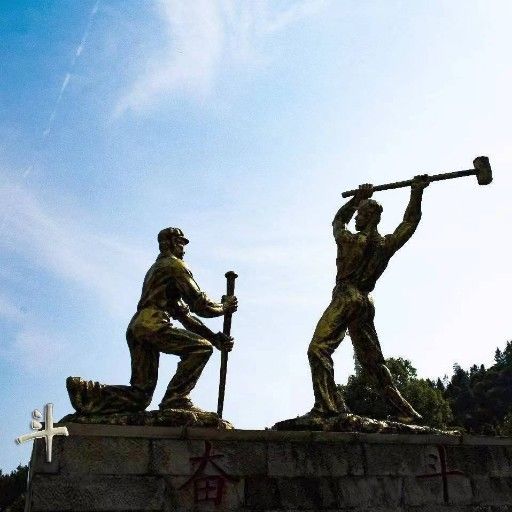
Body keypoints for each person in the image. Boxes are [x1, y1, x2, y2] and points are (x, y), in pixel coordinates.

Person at [67, 227, 237, 415]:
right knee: (201, 348)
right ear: (172, 243)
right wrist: (224, 307)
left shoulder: (159, 269)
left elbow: (186, 317)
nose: (184, 249)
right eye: (181, 243)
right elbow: (200, 304)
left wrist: (214, 338)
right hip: (153, 324)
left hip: (138, 327)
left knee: (140, 396)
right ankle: (176, 399)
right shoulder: (175, 266)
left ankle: (86, 392)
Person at [306, 176, 429, 421]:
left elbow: (338, 220)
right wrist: (416, 193)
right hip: (364, 302)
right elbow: (409, 222)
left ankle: (326, 408)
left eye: (360, 214)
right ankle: (404, 411)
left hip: (346, 297)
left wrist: (356, 198)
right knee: (373, 362)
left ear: (370, 217)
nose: (356, 218)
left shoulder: (349, 240)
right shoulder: (384, 244)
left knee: (318, 349)